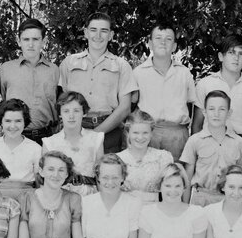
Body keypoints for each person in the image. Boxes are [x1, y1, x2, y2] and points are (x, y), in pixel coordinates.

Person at [58, 12, 138, 153]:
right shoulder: (69, 63)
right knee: (74, 173)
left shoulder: (121, 65)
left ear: (111, 35)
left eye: (104, 31)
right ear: (86, 33)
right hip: (74, 128)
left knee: (106, 174)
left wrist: (96, 134)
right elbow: (62, 101)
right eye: (93, 30)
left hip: (109, 131)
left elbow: (125, 107)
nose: (98, 35)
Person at [132, 23, 198, 160]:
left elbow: (191, 104)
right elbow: (132, 106)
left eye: (168, 39)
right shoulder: (138, 73)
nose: (163, 42)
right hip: (148, 134)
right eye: (158, 38)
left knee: (175, 176)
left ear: (174, 46)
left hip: (177, 135)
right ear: (150, 43)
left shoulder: (184, 73)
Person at [0, 18, 60, 144]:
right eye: (26, 39)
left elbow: (59, 104)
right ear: (19, 41)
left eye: (35, 39)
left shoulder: (54, 70)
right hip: (15, 135)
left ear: (43, 41)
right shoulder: (6, 69)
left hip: (47, 136)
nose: (31, 44)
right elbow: (1, 103)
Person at [180, 90, 242, 207]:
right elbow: (187, 178)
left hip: (228, 199)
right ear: (204, 112)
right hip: (201, 198)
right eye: (211, 109)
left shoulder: (239, 143)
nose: (216, 114)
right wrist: (184, 207)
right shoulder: (195, 140)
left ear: (229, 113)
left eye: (222, 109)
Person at [193, 33, 242, 142]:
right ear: (221, 56)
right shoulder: (205, 84)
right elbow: (197, 125)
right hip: (211, 143)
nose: (236, 58)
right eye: (231, 52)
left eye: (241, 54)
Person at [0, 99, 42, 199]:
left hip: (27, 199)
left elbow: (39, 182)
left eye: (18, 121)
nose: (13, 126)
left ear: (25, 122)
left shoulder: (35, 149)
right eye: (8, 121)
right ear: (1, 122)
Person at [43, 91, 104, 196]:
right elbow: (47, 179)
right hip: (61, 197)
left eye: (76, 111)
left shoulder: (95, 138)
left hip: (89, 196)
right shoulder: (50, 142)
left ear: (84, 113)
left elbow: (101, 175)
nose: (71, 116)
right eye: (66, 111)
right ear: (60, 114)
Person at [117, 110, 174, 204]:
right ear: (128, 133)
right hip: (126, 213)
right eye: (135, 133)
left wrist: (144, 196)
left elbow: (171, 194)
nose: (140, 137)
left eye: (145, 133)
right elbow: (110, 195)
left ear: (151, 133)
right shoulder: (117, 160)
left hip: (156, 212)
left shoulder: (163, 158)